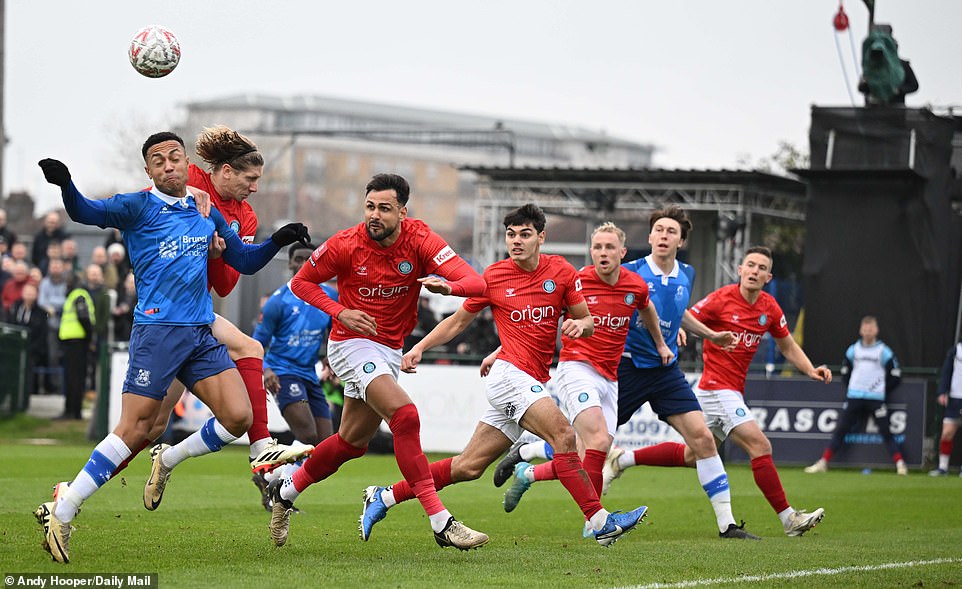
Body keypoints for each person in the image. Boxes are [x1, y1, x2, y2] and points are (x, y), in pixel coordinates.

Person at [32, 131, 309, 564]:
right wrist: (66, 184)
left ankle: (186, 456)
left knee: (239, 416)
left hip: (200, 334)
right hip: (157, 333)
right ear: (149, 171)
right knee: (136, 429)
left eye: (174, 158)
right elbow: (86, 211)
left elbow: (245, 261)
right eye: (157, 160)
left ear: (185, 163)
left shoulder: (206, 211)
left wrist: (279, 239)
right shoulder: (137, 205)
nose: (167, 165)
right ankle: (63, 509)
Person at [359, 204, 648, 548]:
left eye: (525, 234)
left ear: (541, 237)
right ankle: (600, 521)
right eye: (511, 235)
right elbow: (457, 321)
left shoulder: (562, 271)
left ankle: (384, 496)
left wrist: (579, 325)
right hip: (508, 377)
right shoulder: (494, 276)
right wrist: (419, 347)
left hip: (529, 380)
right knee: (564, 435)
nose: (516, 241)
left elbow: (586, 320)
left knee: (469, 466)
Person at [266, 173, 489, 551]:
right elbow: (302, 283)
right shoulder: (346, 243)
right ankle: (441, 522)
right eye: (370, 206)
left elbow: (476, 282)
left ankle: (285, 491)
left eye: (384, 209)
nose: (374, 215)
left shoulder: (420, 239)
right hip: (351, 343)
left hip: (387, 349)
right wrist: (340, 312)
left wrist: (448, 287)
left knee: (350, 444)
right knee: (405, 416)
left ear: (402, 212)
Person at [130, 126, 312, 515]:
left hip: (197, 314)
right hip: (164, 311)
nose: (255, 188)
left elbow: (228, 283)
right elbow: (152, 201)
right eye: (251, 179)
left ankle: (258, 448)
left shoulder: (245, 218)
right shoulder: (191, 178)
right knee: (147, 428)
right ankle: (86, 484)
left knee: (247, 350)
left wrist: (215, 255)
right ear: (225, 172)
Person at [603, 246, 829, 536]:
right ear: (740, 269)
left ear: (768, 276)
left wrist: (810, 369)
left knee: (693, 456)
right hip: (716, 389)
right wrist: (677, 332)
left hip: (730, 391)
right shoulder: (722, 299)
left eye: (761, 268)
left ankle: (623, 459)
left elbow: (786, 344)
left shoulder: (769, 307)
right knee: (761, 446)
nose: (754, 271)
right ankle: (789, 519)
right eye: (750, 265)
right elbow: (685, 313)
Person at [491, 222, 672, 512]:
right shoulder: (577, 281)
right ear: (591, 251)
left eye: (609, 247)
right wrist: (499, 351)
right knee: (598, 441)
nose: (603, 252)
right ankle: (597, 522)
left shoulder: (635, 285)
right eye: (597, 247)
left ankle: (529, 470)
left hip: (610, 377)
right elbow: (536, 321)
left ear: (622, 252)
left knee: (590, 454)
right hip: (577, 367)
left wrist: (660, 344)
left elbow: (647, 308)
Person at [603, 206, 758, 539]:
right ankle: (528, 454)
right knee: (590, 439)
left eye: (671, 231)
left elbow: (679, 311)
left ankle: (727, 525)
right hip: (628, 366)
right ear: (649, 237)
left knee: (703, 439)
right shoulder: (628, 271)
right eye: (658, 229)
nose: (663, 235)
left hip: (665, 370)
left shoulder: (687, 273)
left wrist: (710, 335)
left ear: (681, 240)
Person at [249, 243, 338, 510]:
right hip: (283, 372)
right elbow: (257, 342)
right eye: (298, 259)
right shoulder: (279, 301)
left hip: (308, 374)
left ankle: (269, 475)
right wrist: (265, 369)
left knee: (324, 445)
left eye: (308, 260)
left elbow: (336, 332)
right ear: (290, 264)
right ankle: (281, 494)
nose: (302, 264)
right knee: (308, 434)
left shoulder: (329, 296)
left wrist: (329, 358)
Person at [805, 316, 907, 475]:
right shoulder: (853, 350)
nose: (868, 332)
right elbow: (845, 372)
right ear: (860, 330)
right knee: (841, 429)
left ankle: (900, 464)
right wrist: (854, 387)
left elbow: (895, 374)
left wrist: (882, 390)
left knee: (886, 431)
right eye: (865, 328)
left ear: (876, 330)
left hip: (875, 398)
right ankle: (823, 462)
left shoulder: (883, 351)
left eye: (871, 328)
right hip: (855, 396)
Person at [57, 270, 94, 420]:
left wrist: (89, 339)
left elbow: (84, 318)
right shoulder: (77, 295)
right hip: (73, 342)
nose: (66, 284)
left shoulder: (78, 294)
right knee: (73, 378)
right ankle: (71, 410)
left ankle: (73, 411)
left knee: (75, 378)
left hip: (77, 342)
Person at [6, 282, 49, 395]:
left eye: (32, 293)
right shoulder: (15, 308)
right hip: (14, 348)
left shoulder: (41, 313)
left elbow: (42, 334)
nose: (29, 295)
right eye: (27, 293)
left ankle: (28, 393)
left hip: (33, 349)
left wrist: (31, 348)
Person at [930, 340, 962, 476]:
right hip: (955, 398)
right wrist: (942, 392)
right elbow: (946, 372)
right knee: (947, 433)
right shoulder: (956, 350)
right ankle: (943, 467)